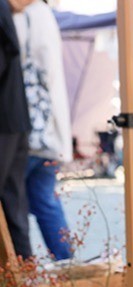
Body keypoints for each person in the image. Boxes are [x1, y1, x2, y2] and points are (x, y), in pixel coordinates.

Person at [13, 0, 72, 260]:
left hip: (22, 132)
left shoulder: (19, 14)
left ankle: (20, 272)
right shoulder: (46, 15)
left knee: (13, 207)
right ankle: (66, 264)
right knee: (46, 203)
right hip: (50, 132)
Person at [0, 0, 30, 260]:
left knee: (14, 202)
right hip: (14, 119)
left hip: (6, 121)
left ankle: (22, 286)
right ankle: (24, 285)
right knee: (14, 203)